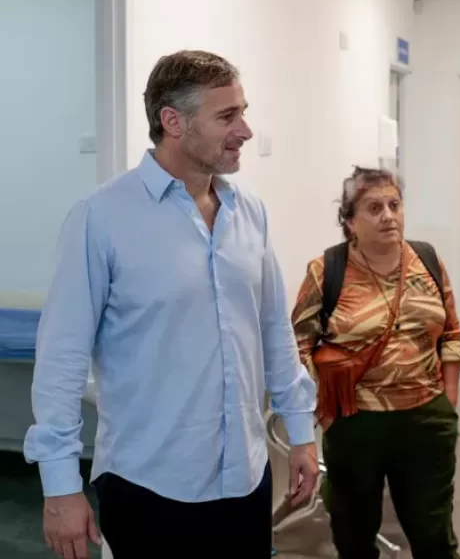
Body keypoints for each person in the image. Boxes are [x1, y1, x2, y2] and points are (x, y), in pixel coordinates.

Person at [23, 50, 319, 559]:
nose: (245, 130)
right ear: (172, 121)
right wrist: (59, 484)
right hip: (149, 487)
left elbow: (274, 331)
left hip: (246, 481)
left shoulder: (250, 213)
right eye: (227, 116)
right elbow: (61, 362)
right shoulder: (101, 219)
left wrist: (301, 432)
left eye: (243, 111)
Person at [291, 166, 460, 559]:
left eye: (394, 204)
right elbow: (299, 347)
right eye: (374, 208)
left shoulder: (428, 260)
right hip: (355, 422)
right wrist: (323, 412)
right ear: (350, 222)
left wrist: (447, 403)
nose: (388, 215)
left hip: (426, 419)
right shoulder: (327, 271)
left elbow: (452, 335)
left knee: (434, 536)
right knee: (353, 536)